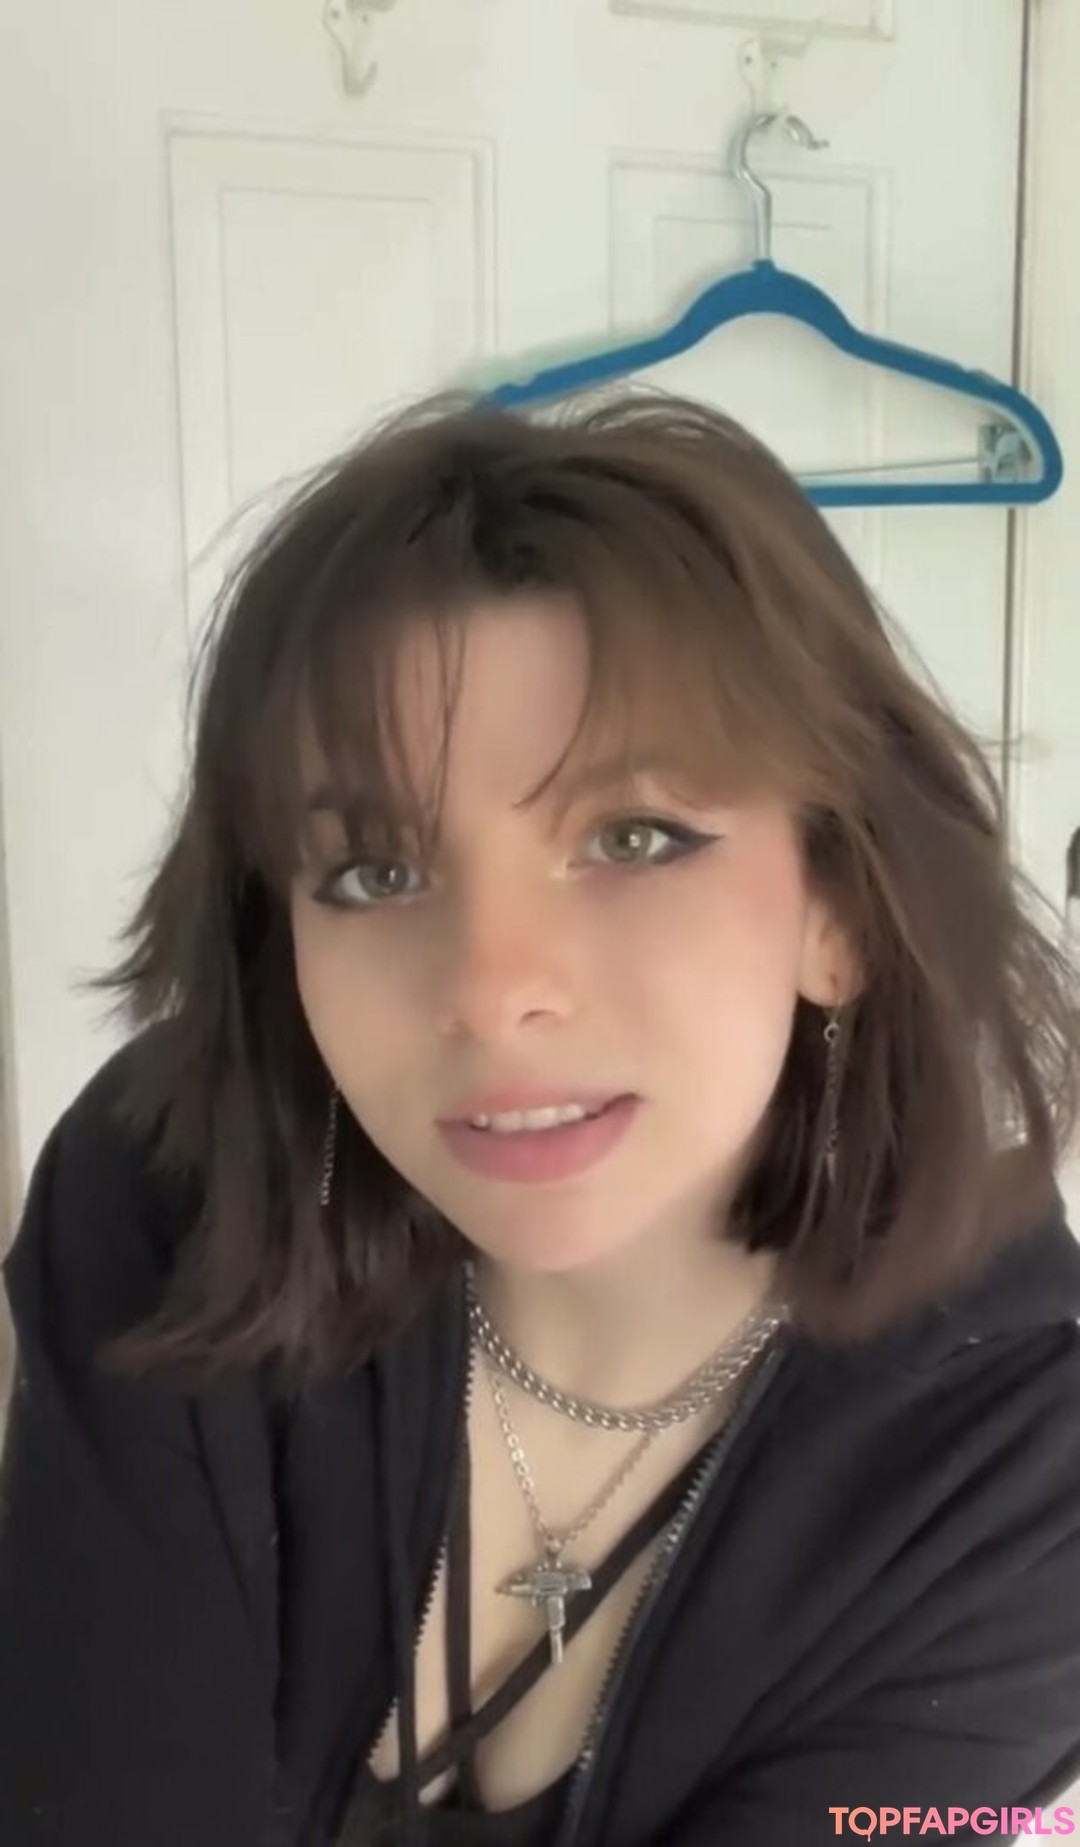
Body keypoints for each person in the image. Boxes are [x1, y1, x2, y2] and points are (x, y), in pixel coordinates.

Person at [2, 391, 1080, 1847]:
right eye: (375, 873)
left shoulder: (1026, 1476)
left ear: (839, 911)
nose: (492, 992)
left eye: (635, 838)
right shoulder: (177, 1192)